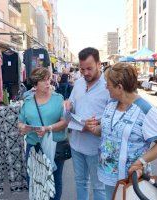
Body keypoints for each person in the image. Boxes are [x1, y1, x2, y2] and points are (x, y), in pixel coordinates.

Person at [89, 63, 157, 200]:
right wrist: (94, 129)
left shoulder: (146, 110)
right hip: (108, 175)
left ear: (119, 87)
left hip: (131, 178)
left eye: (108, 84)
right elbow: (105, 131)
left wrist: (140, 162)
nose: (106, 87)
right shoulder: (111, 104)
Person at [64, 47, 110, 200]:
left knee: (99, 187)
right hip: (76, 144)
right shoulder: (78, 83)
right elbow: (70, 107)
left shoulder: (108, 86)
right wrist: (68, 107)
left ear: (99, 64)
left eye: (89, 68)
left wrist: (95, 125)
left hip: (96, 148)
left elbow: (114, 117)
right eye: (82, 69)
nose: (85, 73)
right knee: (80, 182)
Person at [18, 67, 68, 200]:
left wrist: (48, 128)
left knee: (54, 179)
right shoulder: (27, 102)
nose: (48, 83)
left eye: (48, 79)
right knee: (33, 177)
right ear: (35, 84)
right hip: (34, 146)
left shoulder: (58, 99)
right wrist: (23, 128)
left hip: (55, 145)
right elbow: (20, 123)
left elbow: (64, 122)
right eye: (44, 80)